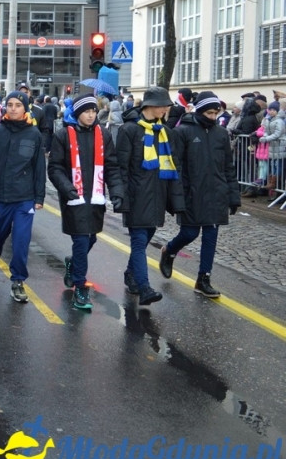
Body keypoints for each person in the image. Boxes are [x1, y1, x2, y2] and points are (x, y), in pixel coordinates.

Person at [158, 92, 239, 299]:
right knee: (190, 233)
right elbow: (175, 165)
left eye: (215, 113)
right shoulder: (183, 132)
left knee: (210, 236)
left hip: (216, 192)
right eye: (209, 112)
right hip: (191, 192)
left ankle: (204, 279)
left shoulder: (221, 133)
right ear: (200, 110)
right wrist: (176, 194)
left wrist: (233, 194)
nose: (212, 116)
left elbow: (228, 167)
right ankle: (169, 251)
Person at [48, 94, 124, 310]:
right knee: (81, 240)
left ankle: (73, 263)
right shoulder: (63, 135)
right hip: (74, 197)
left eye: (93, 111)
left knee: (90, 239)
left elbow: (112, 165)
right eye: (86, 111)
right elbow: (55, 167)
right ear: (77, 113)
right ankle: (80, 287)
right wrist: (67, 188)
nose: (90, 115)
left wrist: (117, 192)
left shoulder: (104, 135)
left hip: (96, 196)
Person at [115, 86, 185, 306]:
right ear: (150, 106)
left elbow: (174, 167)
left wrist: (176, 200)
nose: (166, 109)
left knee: (145, 239)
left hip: (158, 196)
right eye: (163, 105)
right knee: (138, 242)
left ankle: (130, 273)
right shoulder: (129, 130)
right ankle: (145, 288)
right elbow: (121, 167)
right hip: (136, 195)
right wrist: (121, 196)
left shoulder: (166, 133)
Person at [0, 91, 46, 303]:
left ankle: (18, 281)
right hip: (1, 196)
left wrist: (39, 196)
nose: (13, 108)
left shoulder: (34, 134)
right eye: (10, 104)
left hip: (25, 197)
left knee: (21, 240)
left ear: (25, 108)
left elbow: (39, 168)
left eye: (18, 105)